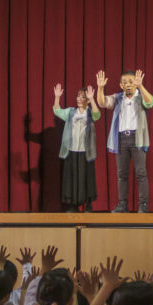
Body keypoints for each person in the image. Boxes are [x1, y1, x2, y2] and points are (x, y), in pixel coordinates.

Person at [96, 69, 153, 213]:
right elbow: (103, 103)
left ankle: (143, 205)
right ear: (121, 85)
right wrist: (100, 87)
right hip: (121, 139)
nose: (128, 85)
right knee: (122, 175)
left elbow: (151, 102)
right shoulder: (117, 98)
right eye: (125, 82)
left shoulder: (140, 96)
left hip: (138, 139)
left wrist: (140, 86)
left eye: (131, 82)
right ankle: (122, 204)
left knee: (141, 173)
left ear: (135, 83)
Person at [53, 83, 102, 211]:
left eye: (82, 97)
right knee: (72, 178)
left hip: (86, 151)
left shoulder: (90, 113)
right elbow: (57, 110)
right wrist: (57, 97)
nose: (79, 99)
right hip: (72, 150)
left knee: (86, 178)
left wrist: (92, 99)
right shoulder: (71, 112)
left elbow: (97, 115)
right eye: (78, 96)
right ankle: (73, 205)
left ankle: (88, 204)